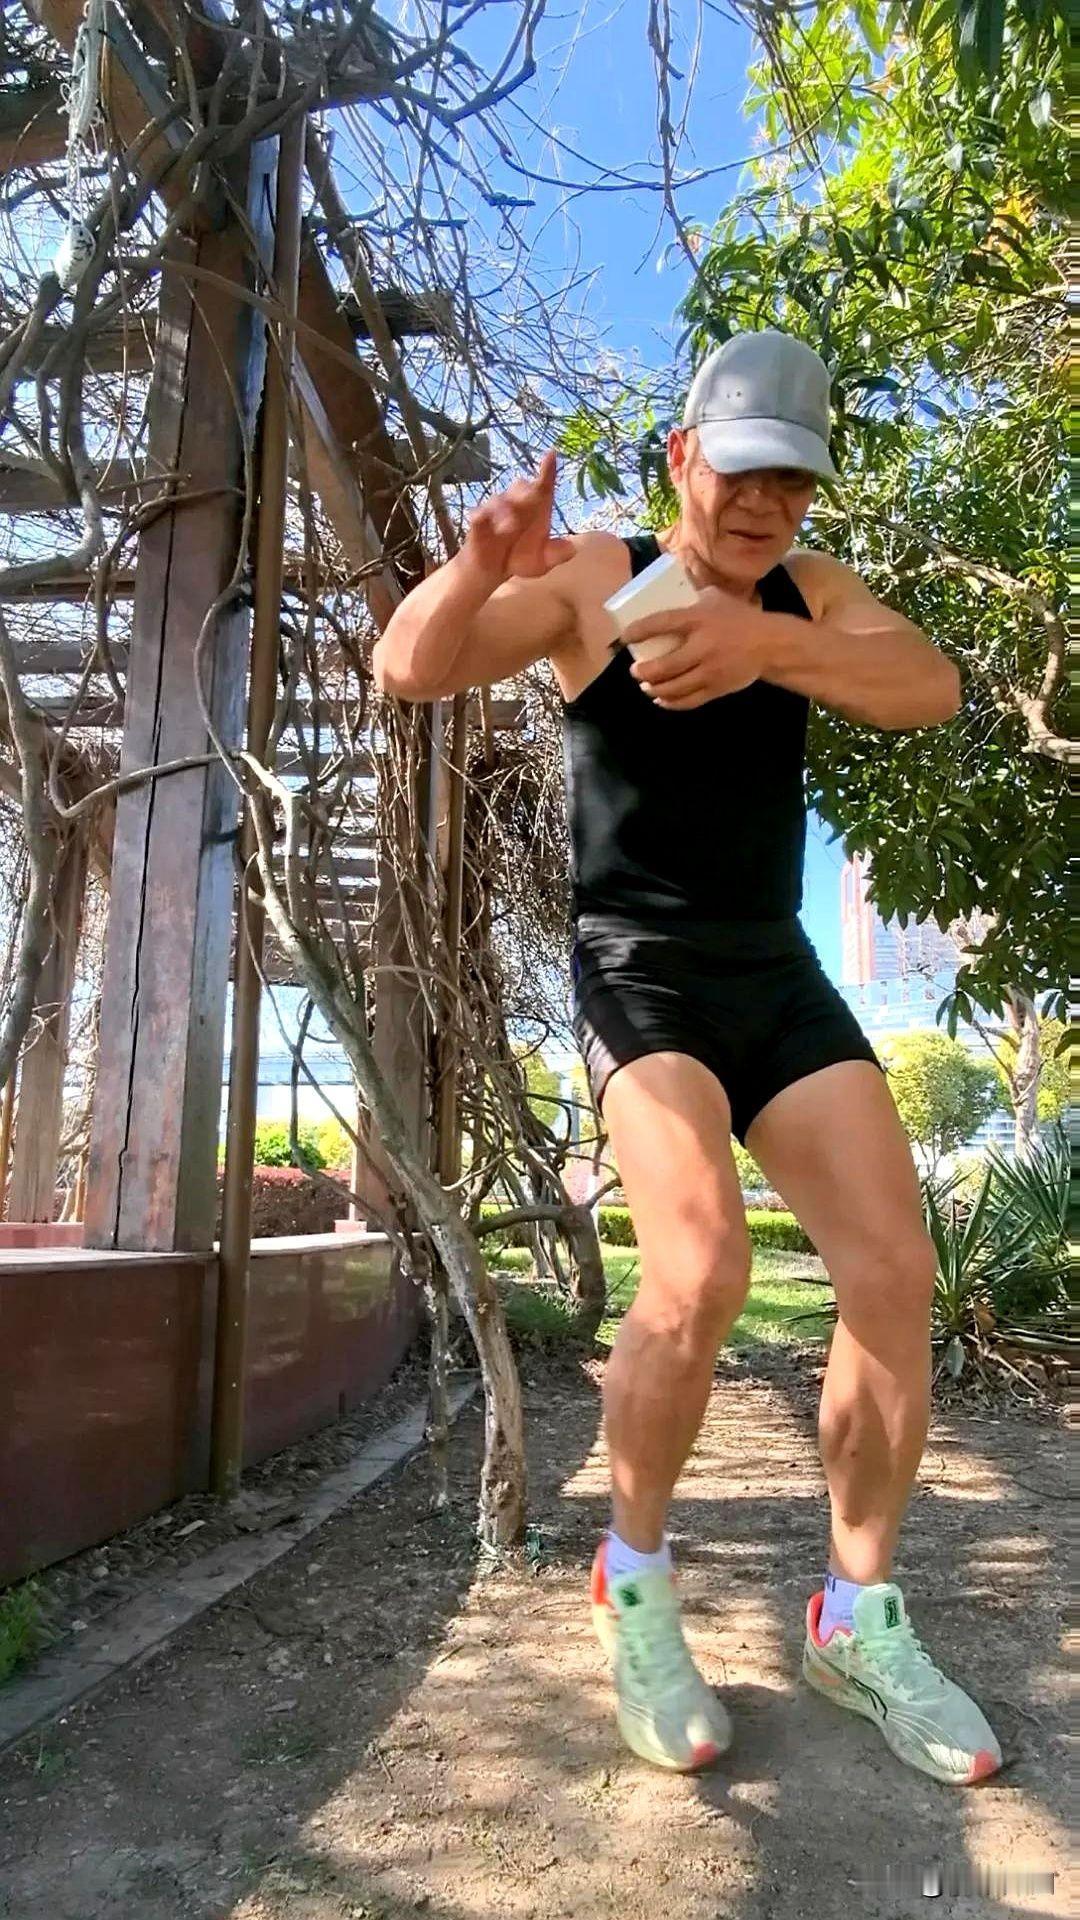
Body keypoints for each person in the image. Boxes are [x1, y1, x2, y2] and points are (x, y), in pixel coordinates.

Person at [372, 329, 1002, 1787]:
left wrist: (768, 643)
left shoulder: (807, 593)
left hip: (773, 967)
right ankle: (638, 1582)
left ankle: (855, 1618)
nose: (767, 503)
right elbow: (413, 668)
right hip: (639, 967)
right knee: (702, 1265)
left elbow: (929, 683)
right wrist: (477, 565)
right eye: (742, 470)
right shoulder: (601, 575)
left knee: (893, 1272)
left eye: (794, 480)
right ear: (682, 458)